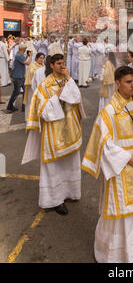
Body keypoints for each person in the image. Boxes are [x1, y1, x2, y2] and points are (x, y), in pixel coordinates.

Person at [82, 65, 133, 263]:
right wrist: (128, 158)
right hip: (122, 170)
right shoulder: (109, 111)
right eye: (128, 82)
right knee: (122, 217)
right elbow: (104, 143)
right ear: (117, 83)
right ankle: (117, 257)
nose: (132, 85)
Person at [22, 54, 85, 215]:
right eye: (58, 63)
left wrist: (69, 77)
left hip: (70, 131)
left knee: (70, 164)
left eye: (63, 63)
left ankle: (71, 192)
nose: (61, 66)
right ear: (51, 65)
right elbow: (42, 111)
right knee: (54, 169)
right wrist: (57, 97)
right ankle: (55, 200)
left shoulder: (67, 80)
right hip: (53, 134)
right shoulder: (44, 86)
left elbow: (77, 98)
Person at [7, 45, 32, 113]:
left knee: (24, 91)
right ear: (23, 49)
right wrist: (30, 56)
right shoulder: (19, 55)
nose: (25, 50)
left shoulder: (19, 54)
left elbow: (23, 60)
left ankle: (24, 106)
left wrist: (27, 56)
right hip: (18, 77)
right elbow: (27, 63)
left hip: (21, 76)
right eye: (25, 48)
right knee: (16, 92)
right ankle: (10, 106)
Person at [23, 52, 45, 121]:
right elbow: (28, 76)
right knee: (30, 102)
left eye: (43, 58)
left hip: (39, 87)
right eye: (40, 58)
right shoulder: (32, 66)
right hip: (31, 87)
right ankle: (28, 118)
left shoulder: (42, 66)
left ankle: (36, 117)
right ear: (36, 58)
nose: (41, 60)